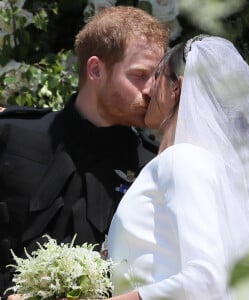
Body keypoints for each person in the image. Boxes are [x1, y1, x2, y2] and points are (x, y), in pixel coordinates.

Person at [107, 35, 249, 299]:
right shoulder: (211, 167)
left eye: (156, 76)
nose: (146, 90)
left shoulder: (182, 160)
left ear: (177, 88)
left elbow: (206, 279)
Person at [0, 6, 169, 297]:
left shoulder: (153, 167)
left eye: (157, 77)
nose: (151, 90)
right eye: (140, 75)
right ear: (95, 70)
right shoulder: (12, 136)